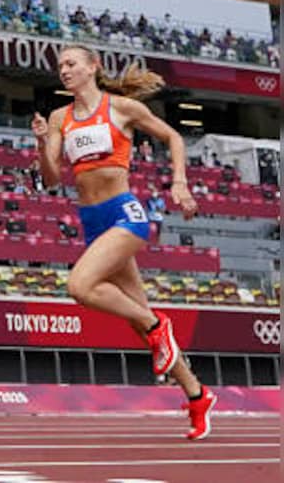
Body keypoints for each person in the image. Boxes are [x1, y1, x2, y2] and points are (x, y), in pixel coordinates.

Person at [31, 45, 213, 440]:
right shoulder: (60, 117)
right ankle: (197, 395)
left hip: (124, 214)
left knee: (79, 286)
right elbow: (50, 178)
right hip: (92, 222)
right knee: (137, 323)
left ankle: (157, 324)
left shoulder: (121, 108)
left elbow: (173, 137)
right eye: (60, 65)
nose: (64, 70)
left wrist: (179, 183)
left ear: (92, 67)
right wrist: (42, 143)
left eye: (71, 64)